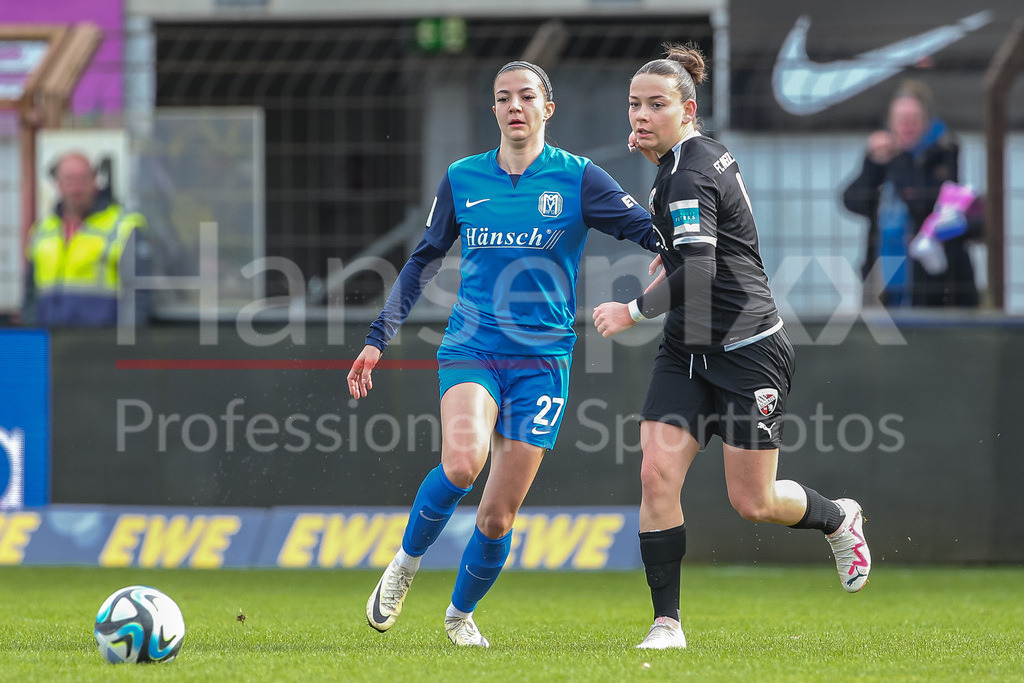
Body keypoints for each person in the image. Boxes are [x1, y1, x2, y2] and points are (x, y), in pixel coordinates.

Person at [348, 60, 658, 648]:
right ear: (493, 110)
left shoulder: (580, 178)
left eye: (525, 97)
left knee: (497, 517)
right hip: (473, 346)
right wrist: (376, 337)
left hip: (543, 361)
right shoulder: (464, 177)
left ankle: (460, 616)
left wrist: (677, 248)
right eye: (502, 98)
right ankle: (406, 564)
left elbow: (644, 228)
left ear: (548, 109)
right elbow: (422, 259)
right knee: (462, 463)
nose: (514, 106)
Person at [592, 44, 871, 650]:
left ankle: (837, 516)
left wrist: (634, 309)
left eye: (656, 105)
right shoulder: (683, 157)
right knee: (656, 473)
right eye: (635, 104)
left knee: (754, 501)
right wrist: (668, 264)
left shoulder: (689, 171)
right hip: (687, 349)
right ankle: (667, 624)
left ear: (687, 110)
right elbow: (692, 254)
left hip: (748, 351)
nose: (640, 116)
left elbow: (703, 271)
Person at [842, 80, 980, 307]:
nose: (907, 126)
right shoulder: (884, 160)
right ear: (890, 123)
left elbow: (927, 206)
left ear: (926, 121)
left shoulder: (944, 151)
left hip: (935, 283)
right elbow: (852, 201)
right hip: (885, 281)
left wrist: (900, 159)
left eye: (913, 119)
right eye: (900, 120)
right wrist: (872, 162)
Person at [22, 151, 152, 326]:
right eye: (69, 180)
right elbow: (30, 294)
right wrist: (32, 335)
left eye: (83, 179)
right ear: (58, 184)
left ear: (95, 182)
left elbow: (138, 294)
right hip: (50, 343)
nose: (76, 189)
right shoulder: (42, 230)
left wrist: (126, 344)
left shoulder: (123, 226)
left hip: (99, 344)